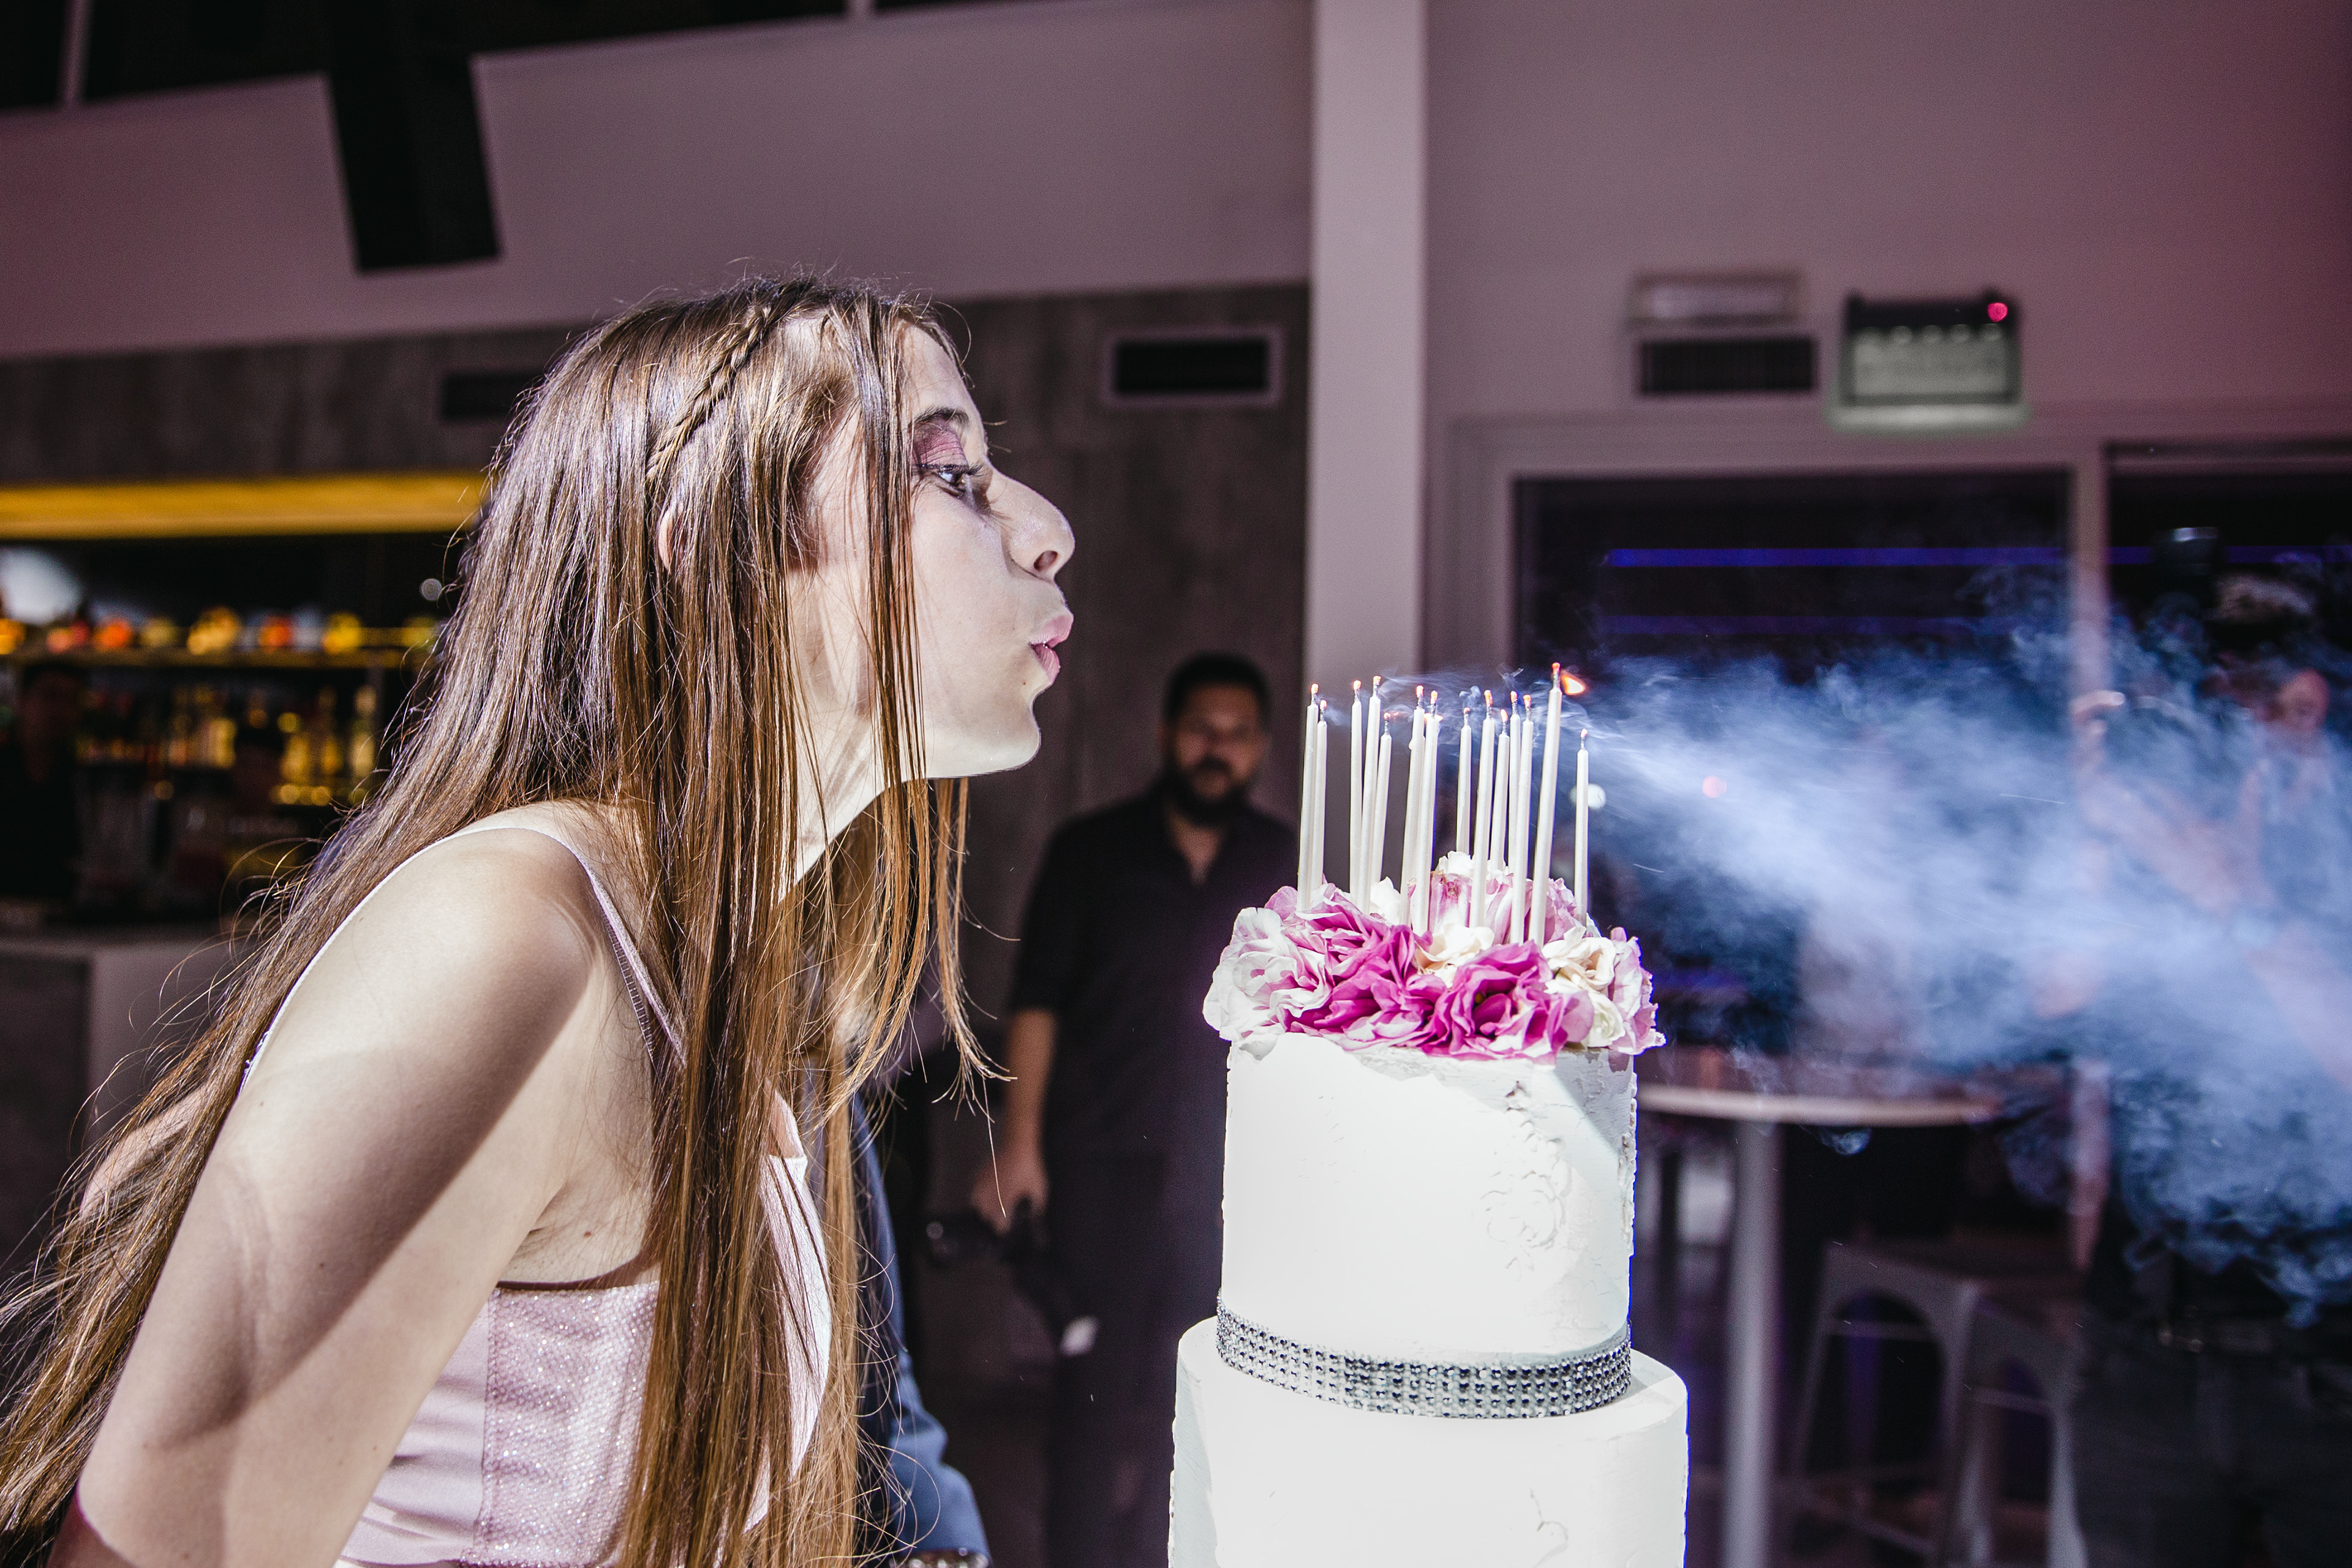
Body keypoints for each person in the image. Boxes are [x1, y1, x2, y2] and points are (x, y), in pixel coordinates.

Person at [0, 278, 1075, 1568]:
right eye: (949, 472)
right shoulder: (505, 939)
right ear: (717, 547)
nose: (1047, 531)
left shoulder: (743, 975)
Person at [2049, 575, 2352, 1568]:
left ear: (2306, 707)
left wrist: (2237, 897)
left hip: (2331, 1365)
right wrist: (2097, 836)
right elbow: (2052, 995)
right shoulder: (2163, 861)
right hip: (2144, 1355)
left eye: (2235, 711)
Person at [972, 652, 1295, 1568]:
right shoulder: (1091, 850)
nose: (1216, 750)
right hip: (1099, 1162)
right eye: (1200, 729)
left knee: (1202, 1395)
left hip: (1226, 1177)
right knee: (1091, 1393)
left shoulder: (1283, 862)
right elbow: (1037, 1001)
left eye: (1237, 734)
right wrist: (1018, 1146)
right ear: (1165, 733)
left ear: (1261, 747)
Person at [0, 662, 85, 904]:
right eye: (50, 696)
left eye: (71, 700)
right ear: (20, 702)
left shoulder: (82, 785)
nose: (61, 710)